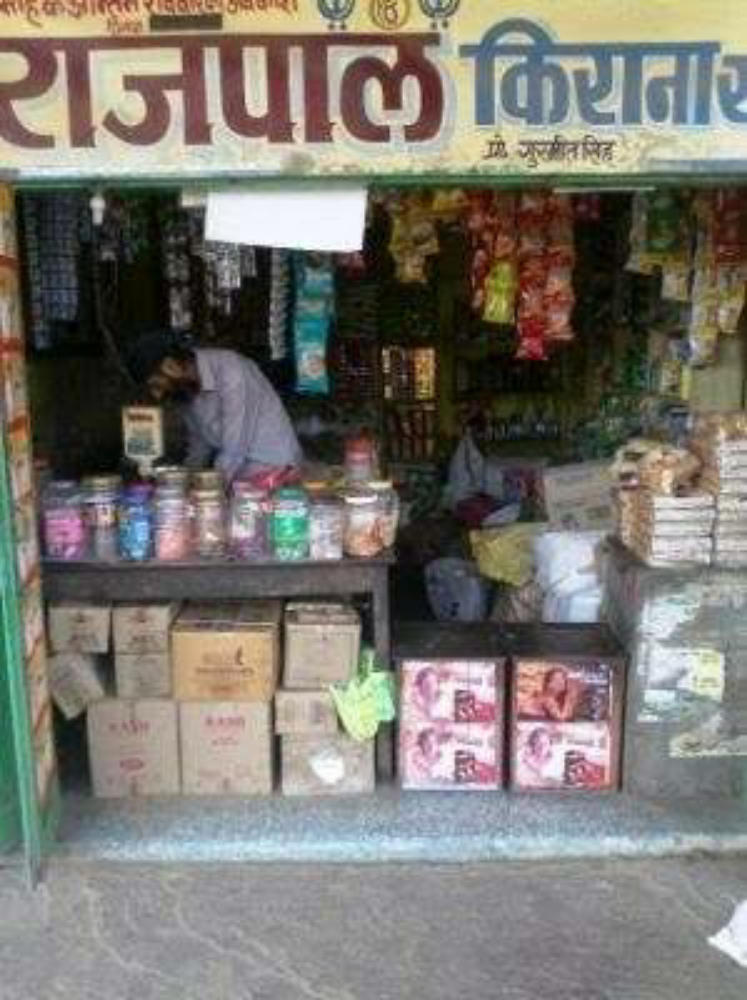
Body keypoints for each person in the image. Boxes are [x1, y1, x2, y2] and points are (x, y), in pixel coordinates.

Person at [128, 331, 303, 483]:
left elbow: (234, 448)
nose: (157, 395)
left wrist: (209, 487)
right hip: (237, 475)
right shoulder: (187, 389)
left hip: (275, 471)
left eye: (157, 385)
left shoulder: (232, 370)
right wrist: (185, 477)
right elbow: (200, 443)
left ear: (171, 366)